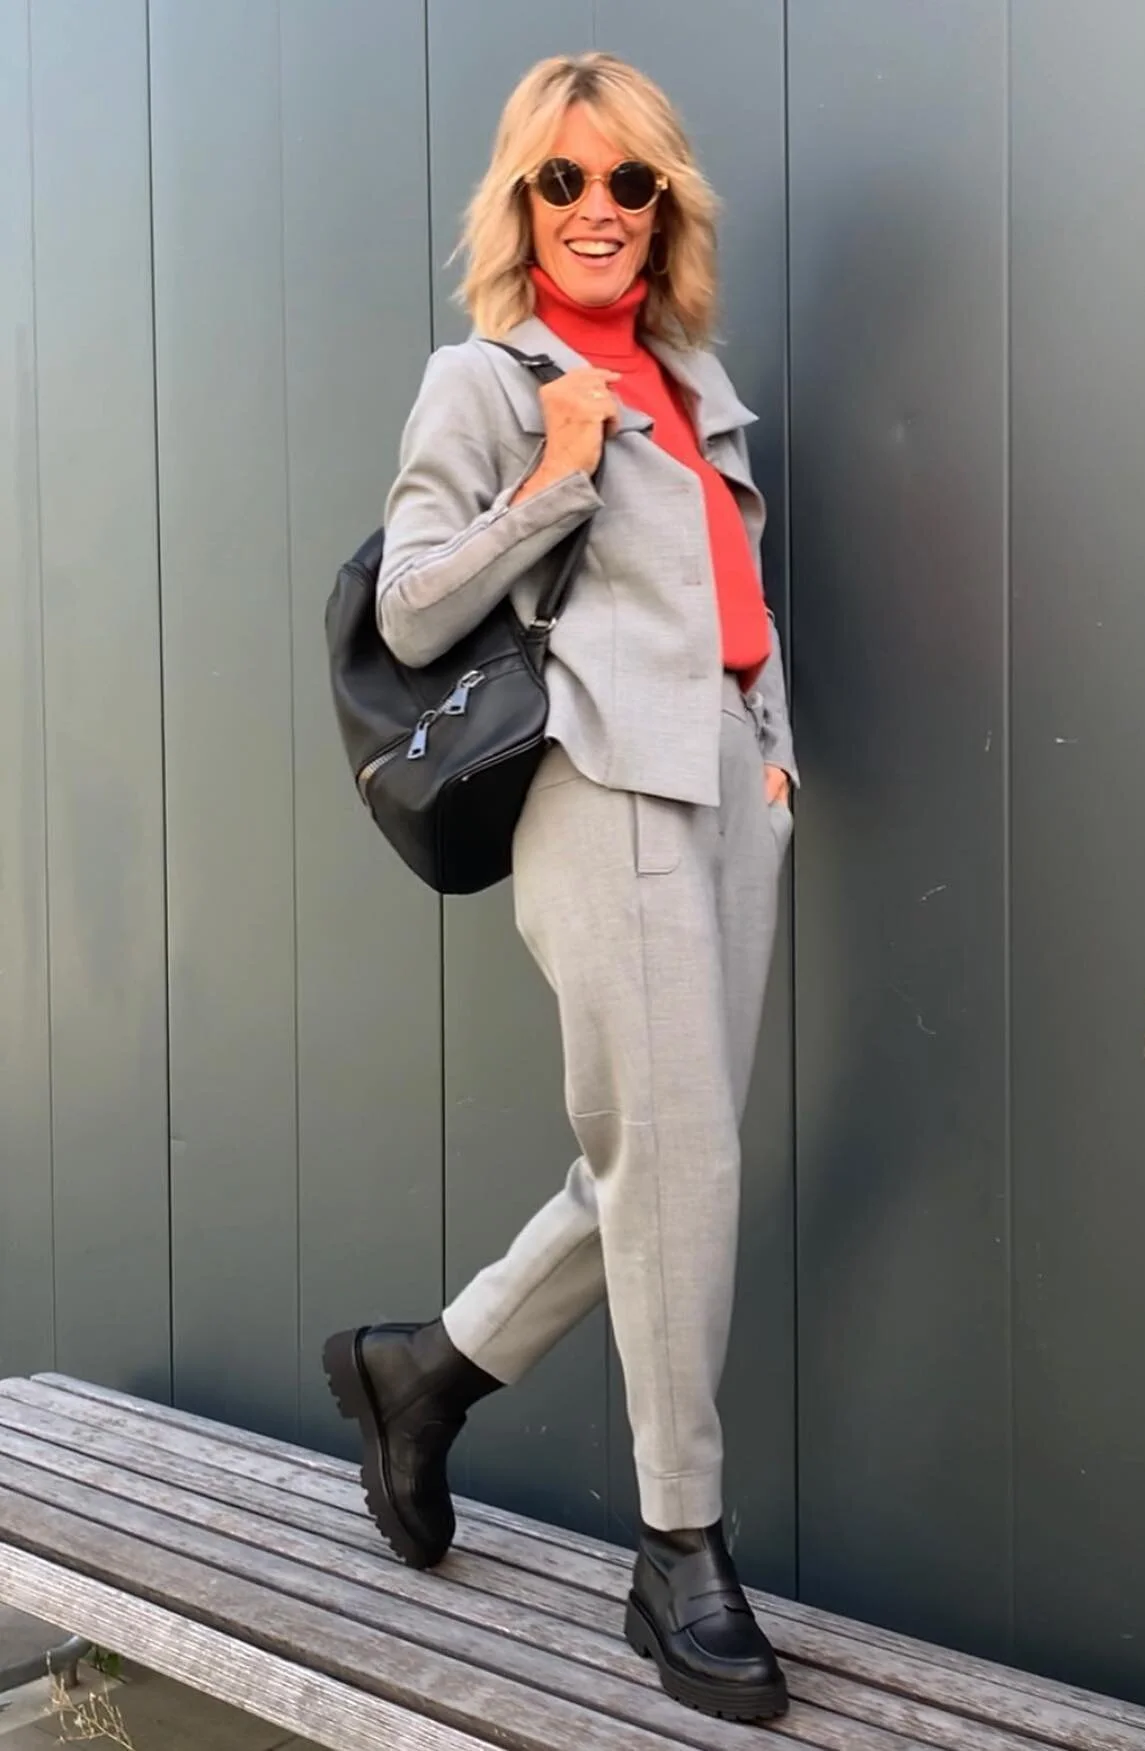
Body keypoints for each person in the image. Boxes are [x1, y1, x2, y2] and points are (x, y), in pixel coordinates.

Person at [322, 51, 797, 1723]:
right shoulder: (486, 378)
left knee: (664, 1167)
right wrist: (554, 473)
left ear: (668, 208)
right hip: (602, 781)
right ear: (522, 205)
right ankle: (679, 1548)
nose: (599, 207)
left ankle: (422, 1371)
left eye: (630, 181)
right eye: (564, 180)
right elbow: (411, 605)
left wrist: (774, 747)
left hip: (729, 786)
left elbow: (736, 593)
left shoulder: (693, 376)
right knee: (679, 1164)